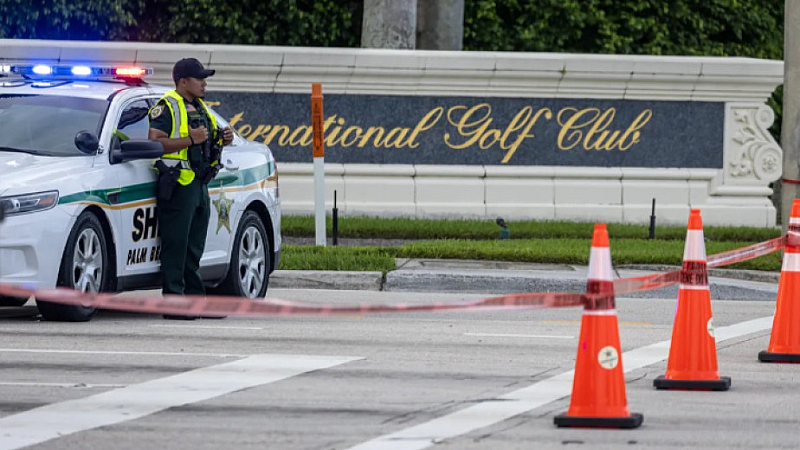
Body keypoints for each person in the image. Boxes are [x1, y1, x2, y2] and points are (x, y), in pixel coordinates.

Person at [148, 58, 233, 320]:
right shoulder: (167, 106)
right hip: (178, 185)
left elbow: (205, 142)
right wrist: (189, 139)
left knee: (194, 247)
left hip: (199, 184)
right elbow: (155, 143)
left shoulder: (199, 107)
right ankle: (174, 303)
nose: (204, 83)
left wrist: (223, 137)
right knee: (176, 246)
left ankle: (196, 301)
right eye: (199, 78)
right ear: (183, 81)